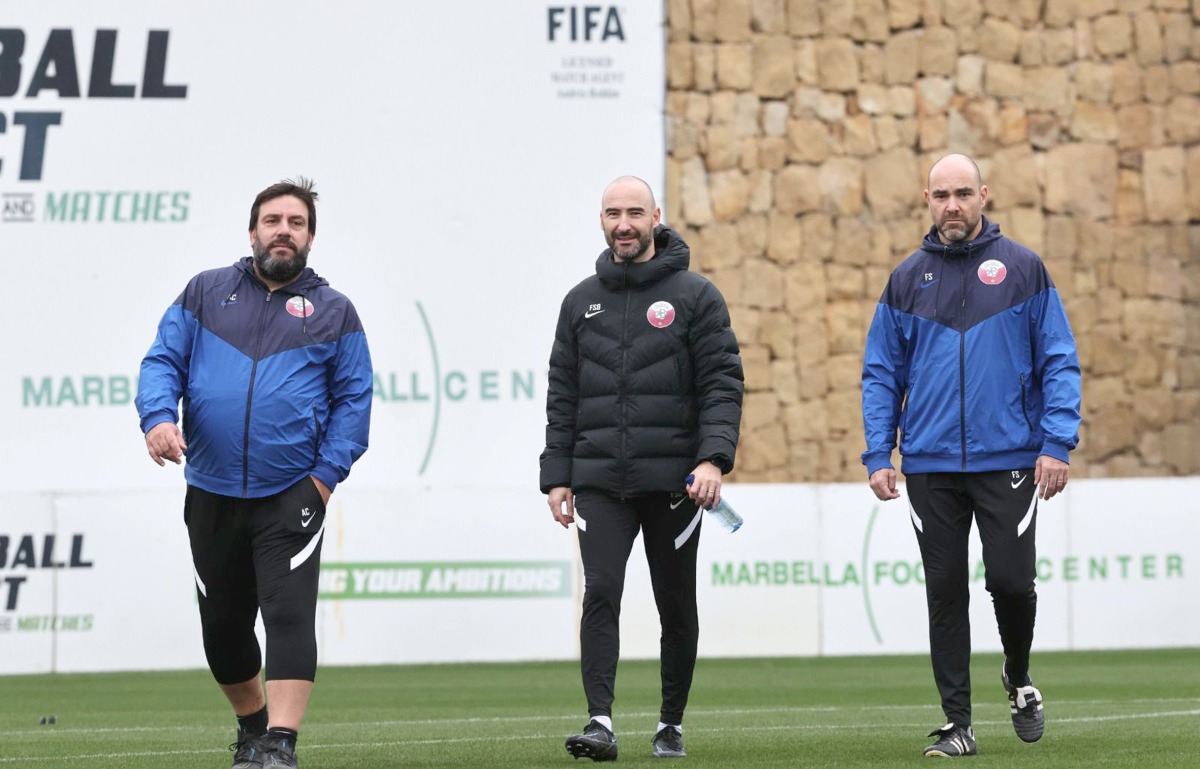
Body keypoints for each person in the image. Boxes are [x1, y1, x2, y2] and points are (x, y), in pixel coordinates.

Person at [136, 178, 373, 769]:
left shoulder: (335, 310)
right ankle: (252, 729)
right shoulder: (205, 293)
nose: (283, 231)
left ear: (310, 236)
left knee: (289, 614)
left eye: (296, 222)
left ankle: (283, 745)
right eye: (273, 220)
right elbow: (162, 361)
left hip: (292, 492)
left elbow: (355, 400)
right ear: (253, 231)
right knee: (222, 624)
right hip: (210, 489)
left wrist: (323, 477)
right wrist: (158, 418)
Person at [861, 154, 1081, 757]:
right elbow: (881, 372)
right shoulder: (907, 279)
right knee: (945, 588)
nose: (951, 205)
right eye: (941, 195)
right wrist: (880, 452)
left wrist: (1057, 442)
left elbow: (1058, 359)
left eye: (963, 193)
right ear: (926, 200)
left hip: (1008, 457)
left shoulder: (1023, 270)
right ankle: (958, 723)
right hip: (929, 464)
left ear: (984, 196)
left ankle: (1017, 674)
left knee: (1010, 582)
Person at [540, 176, 744, 761]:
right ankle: (599, 722)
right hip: (600, 481)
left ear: (656, 216)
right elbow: (562, 393)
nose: (623, 224)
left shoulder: (696, 295)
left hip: (676, 486)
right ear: (600, 221)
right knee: (600, 592)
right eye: (612, 213)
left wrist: (712, 458)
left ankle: (669, 724)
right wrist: (557, 474)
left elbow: (722, 383)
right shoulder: (581, 301)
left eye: (634, 212)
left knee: (675, 605)